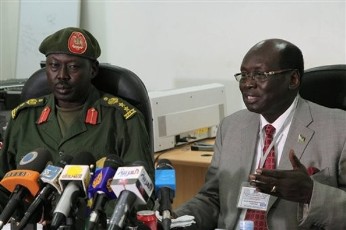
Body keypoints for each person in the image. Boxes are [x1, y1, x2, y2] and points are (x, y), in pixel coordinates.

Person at [174, 38, 346, 229]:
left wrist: (311, 193)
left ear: (293, 79)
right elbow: (212, 198)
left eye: (260, 75)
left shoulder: (339, 128)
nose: (247, 84)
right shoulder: (231, 126)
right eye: (244, 75)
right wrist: (173, 220)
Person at [0, 27, 154, 226]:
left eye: (73, 67)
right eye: (54, 66)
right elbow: (3, 187)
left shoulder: (122, 119)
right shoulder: (23, 118)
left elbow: (139, 193)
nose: (62, 75)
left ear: (93, 70)